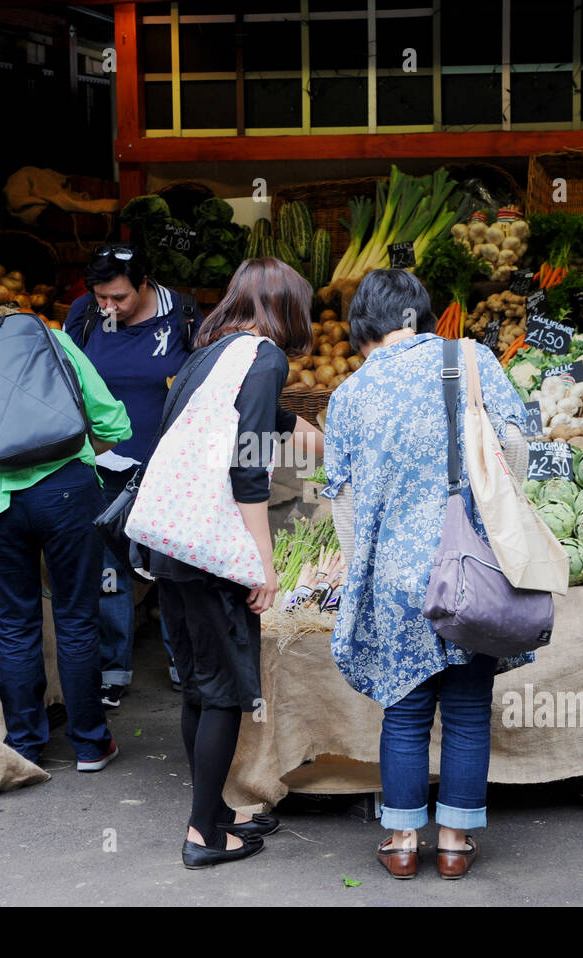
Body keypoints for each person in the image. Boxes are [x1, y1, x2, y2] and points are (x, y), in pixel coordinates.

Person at [320, 268, 532, 882]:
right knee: (468, 711)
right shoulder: (469, 359)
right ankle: (456, 845)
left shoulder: (351, 393)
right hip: (471, 568)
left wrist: (361, 567)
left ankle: (403, 841)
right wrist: (496, 510)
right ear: (421, 315)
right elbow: (516, 446)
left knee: (405, 711)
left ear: (363, 327)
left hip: (395, 577)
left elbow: (346, 501)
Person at [151, 257, 320, 870]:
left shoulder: (212, 354)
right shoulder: (266, 356)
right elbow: (248, 467)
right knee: (222, 692)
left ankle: (217, 812)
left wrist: (331, 440)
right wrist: (261, 562)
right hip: (213, 547)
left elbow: (258, 423)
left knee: (199, 687)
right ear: (283, 306)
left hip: (172, 542)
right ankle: (203, 834)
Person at [0, 304, 132, 772]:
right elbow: (112, 425)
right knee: (77, 618)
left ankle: (25, 744)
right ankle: (90, 745)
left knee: (18, 624)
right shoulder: (57, 342)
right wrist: (75, 449)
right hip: (67, 493)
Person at [63, 243, 201, 708]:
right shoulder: (83, 315)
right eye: (102, 297)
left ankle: (185, 664)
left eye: (119, 298)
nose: (109, 307)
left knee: (173, 567)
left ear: (144, 284)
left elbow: (203, 380)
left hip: (168, 466)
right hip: (102, 465)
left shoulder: (181, 313)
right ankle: (112, 671)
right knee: (109, 572)